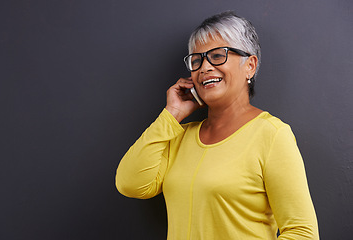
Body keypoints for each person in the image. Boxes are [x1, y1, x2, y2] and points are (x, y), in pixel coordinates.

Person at [115, 11, 319, 239]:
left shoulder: (271, 135)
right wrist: (171, 115)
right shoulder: (178, 136)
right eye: (197, 59)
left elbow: (302, 232)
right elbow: (130, 183)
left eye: (217, 55)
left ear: (250, 66)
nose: (205, 67)